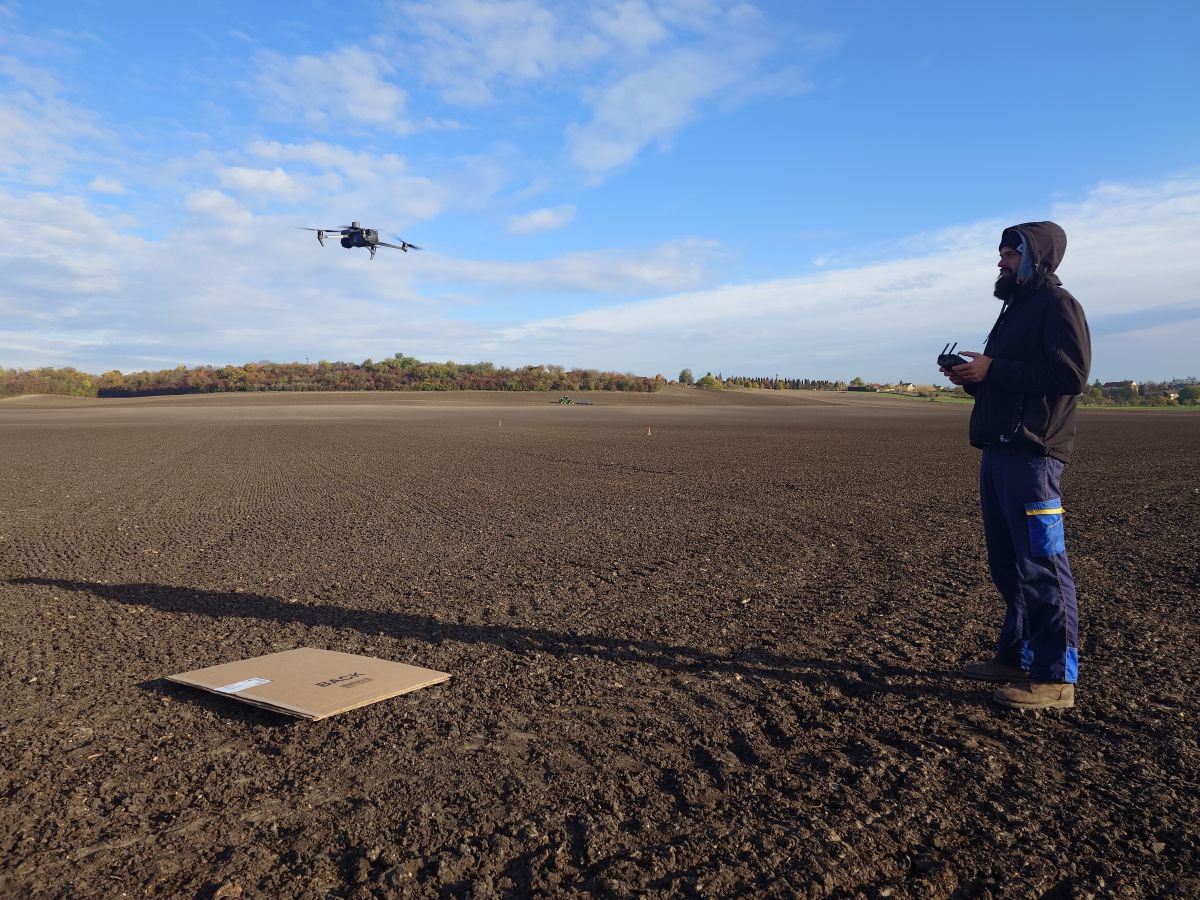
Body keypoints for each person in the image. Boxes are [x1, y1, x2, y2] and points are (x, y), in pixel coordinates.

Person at [941, 221, 1091, 710]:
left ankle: (1055, 678)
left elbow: (1071, 374)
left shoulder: (1057, 306)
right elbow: (1008, 380)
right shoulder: (1015, 310)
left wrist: (994, 368)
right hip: (999, 450)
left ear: (1036, 257)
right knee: (1006, 564)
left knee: (1042, 564)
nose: (1000, 261)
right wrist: (972, 377)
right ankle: (1017, 656)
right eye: (1001, 253)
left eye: (1010, 253)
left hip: (1034, 455)